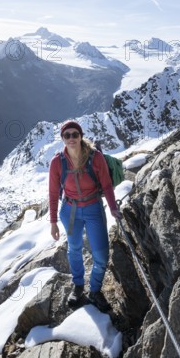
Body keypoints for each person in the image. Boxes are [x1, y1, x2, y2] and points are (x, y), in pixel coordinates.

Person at [48, 120, 121, 311]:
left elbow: (106, 185)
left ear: (81, 136)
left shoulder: (95, 158)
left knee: (101, 255)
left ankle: (95, 289)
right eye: (67, 135)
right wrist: (53, 222)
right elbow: (54, 193)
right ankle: (78, 285)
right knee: (74, 248)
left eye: (75, 134)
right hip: (70, 212)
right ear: (63, 138)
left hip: (93, 209)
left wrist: (113, 208)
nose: (71, 138)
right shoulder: (57, 162)